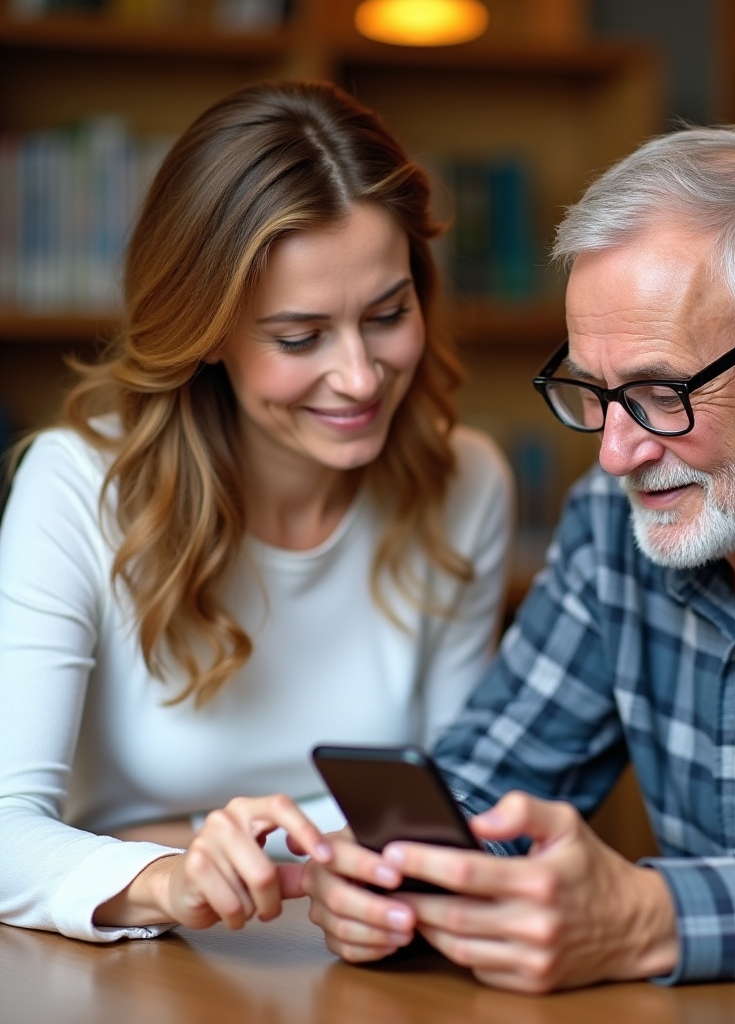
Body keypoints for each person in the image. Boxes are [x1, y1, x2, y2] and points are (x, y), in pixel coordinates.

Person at [300, 124, 735, 991]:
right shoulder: (616, 529)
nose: (614, 454)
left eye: (660, 394)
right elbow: (484, 782)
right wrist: (388, 873)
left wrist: (657, 919)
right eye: (597, 394)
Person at [0, 81, 513, 942]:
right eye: (299, 337)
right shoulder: (76, 487)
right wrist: (169, 877)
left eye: (387, 315)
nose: (359, 377)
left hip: (353, 955)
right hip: (133, 963)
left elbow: (453, 807)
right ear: (207, 331)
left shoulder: (467, 482)